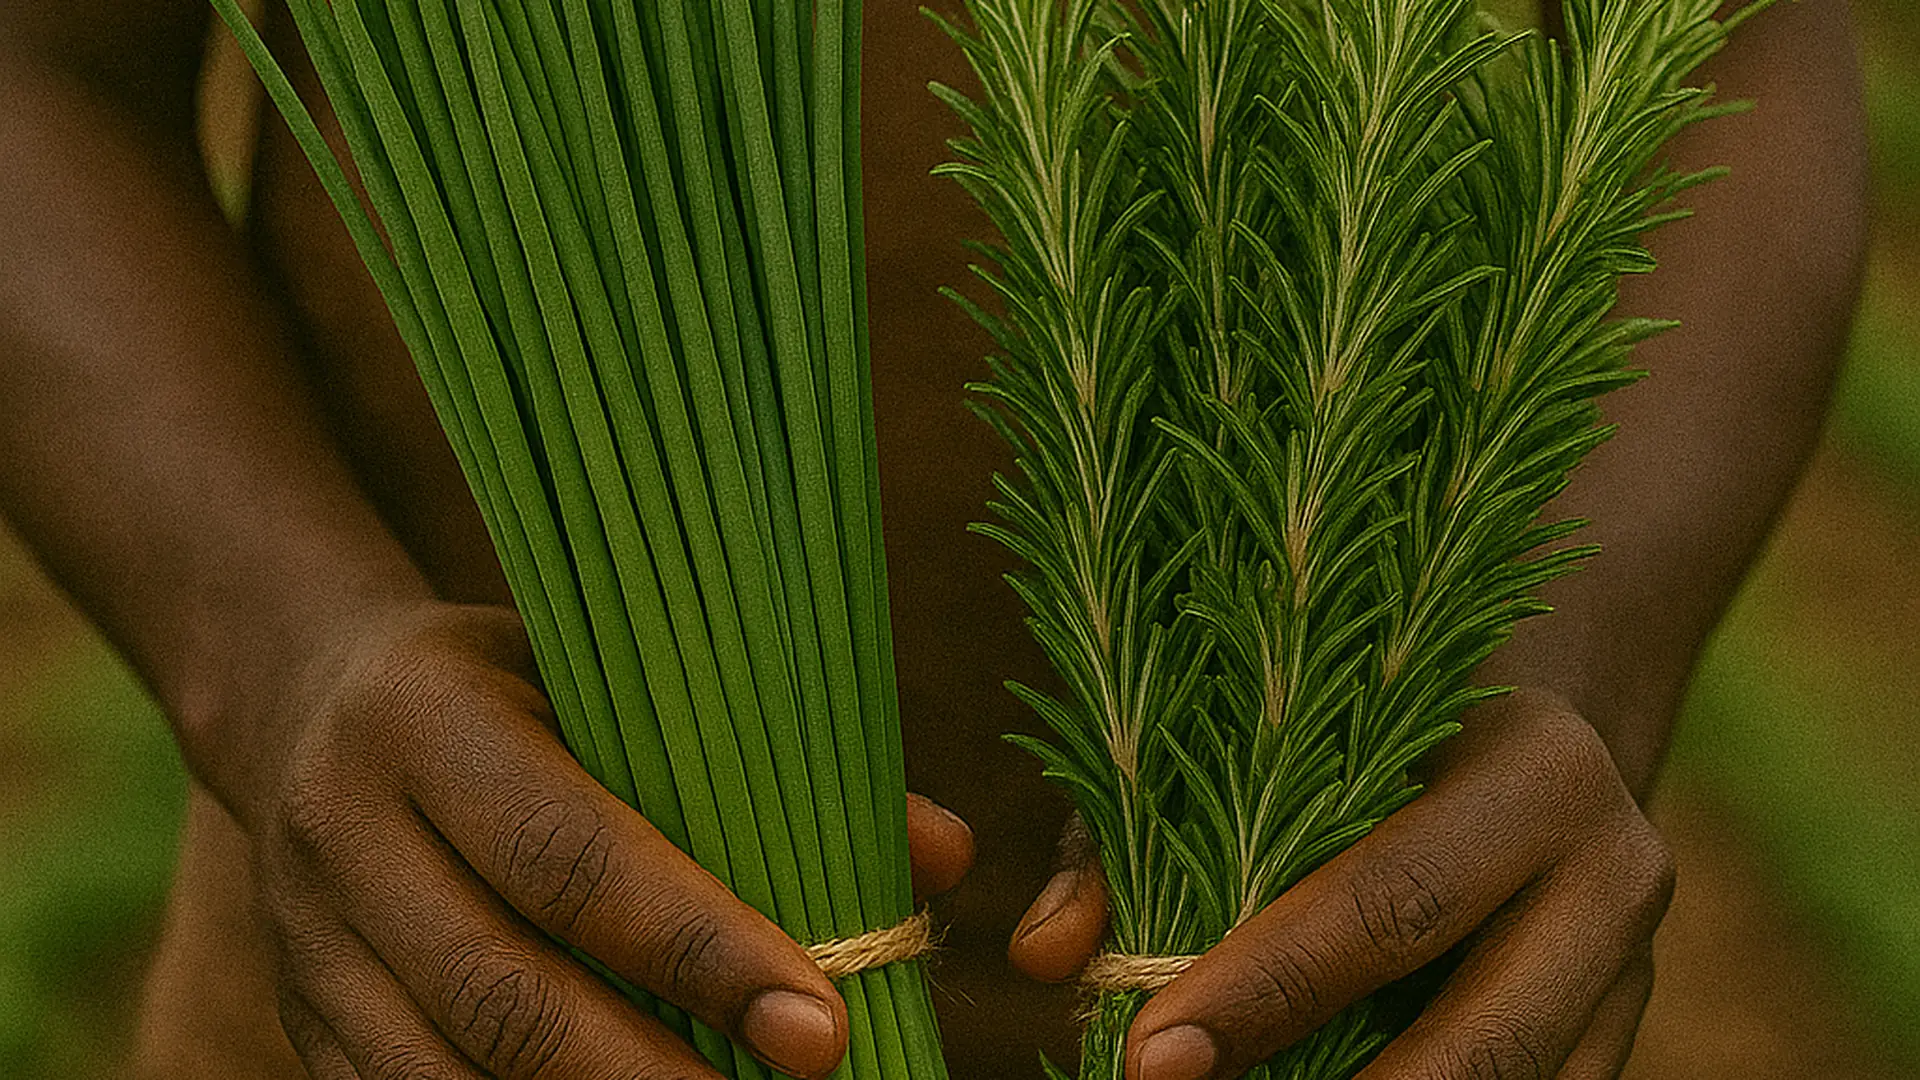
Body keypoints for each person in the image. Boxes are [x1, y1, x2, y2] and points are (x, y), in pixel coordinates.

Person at [0, 1, 1868, 1078]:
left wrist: (1571, 676)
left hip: (1351, 1001)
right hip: (469, 1002)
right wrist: (277, 658)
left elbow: (1750, 34)